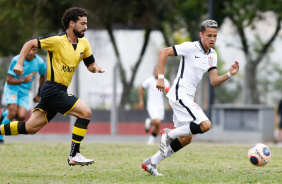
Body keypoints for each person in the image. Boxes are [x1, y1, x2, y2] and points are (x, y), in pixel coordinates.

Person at [0, 7, 104, 166]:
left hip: (59, 91)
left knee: (30, 127)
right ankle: (74, 154)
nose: (85, 27)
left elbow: (90, 64)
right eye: (82, 23)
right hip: (52, 89)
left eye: (86, 23)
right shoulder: (57, 40)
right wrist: (20, 63)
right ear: (71, 23)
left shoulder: (84, 43)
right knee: (85, 112)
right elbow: (29, 43)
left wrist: (95, 68)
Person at [141, 19, 239, 176]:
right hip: (180, 94)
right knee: (205, 125)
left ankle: (151, 162)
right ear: (201, 35)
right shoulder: (190, 47)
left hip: (186, 97)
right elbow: (163, 52)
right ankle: (168, 133)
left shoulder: (212, 55)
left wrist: (229, 74)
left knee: (186, 139)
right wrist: (160, 77)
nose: (212, 39)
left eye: (215, 36)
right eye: (209, 35)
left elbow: (213, 81)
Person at [0, 48, 46, 144]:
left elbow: (43, 75)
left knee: (21, 116)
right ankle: (0, 138)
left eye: (33, 50)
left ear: (36, 50)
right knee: (12, 112)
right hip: (12, 88)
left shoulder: (40, 62)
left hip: (24, 91)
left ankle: (4, 113)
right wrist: (23, 80)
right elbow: (9, 80)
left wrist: (39, 94)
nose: (30, 52)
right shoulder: (17, 60)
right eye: (29, 49)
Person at [139, 66, 170, 145]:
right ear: (154, 71)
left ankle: (150, 141)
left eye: (159, 71)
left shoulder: (165, 81)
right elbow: (141, 89)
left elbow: (169, 92)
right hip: (152, 105)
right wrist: (141, 101)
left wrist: (170, 102)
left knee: (158, 124)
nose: (157, 72)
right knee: (157, 121)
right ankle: (149, 122)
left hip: (160, 105)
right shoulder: (149, 80)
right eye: (156, 71)